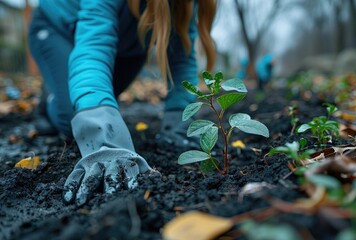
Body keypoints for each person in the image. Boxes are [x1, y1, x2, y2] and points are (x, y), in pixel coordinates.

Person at [28, 0, 217, 206]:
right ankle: (51, 97)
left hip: (126, 44)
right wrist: (102, 139)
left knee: (98, 96)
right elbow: (94, 46)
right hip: (59, 29)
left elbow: (182, 57)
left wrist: (180, 125)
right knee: (72, 117)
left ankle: (67, 84)